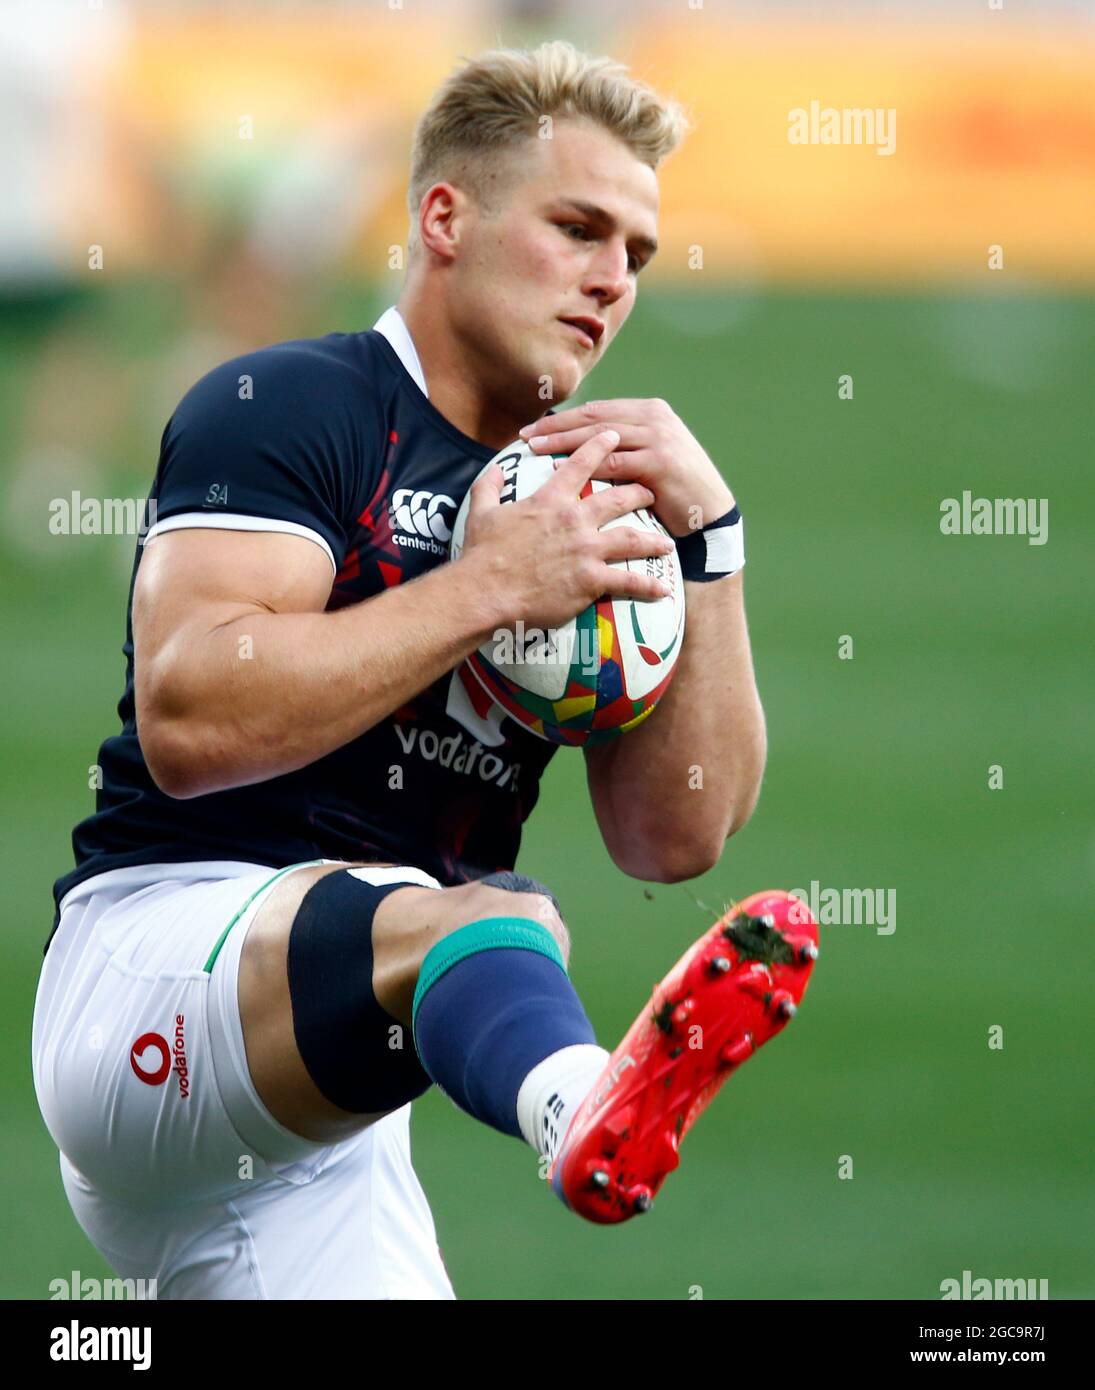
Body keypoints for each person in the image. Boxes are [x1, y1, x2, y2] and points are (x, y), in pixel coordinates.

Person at [32, 39, 816, 1300]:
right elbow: (190, 717)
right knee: (503, 916)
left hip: (329, 1114)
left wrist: (711, 549)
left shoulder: (592, 504)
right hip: (153, 977)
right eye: (577, 228)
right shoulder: (288, 401)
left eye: (638, 255)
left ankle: (575, 1095)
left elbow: (675, 839)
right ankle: (578, 1103)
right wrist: (491, 587)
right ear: (444, 218)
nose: (612, 281)